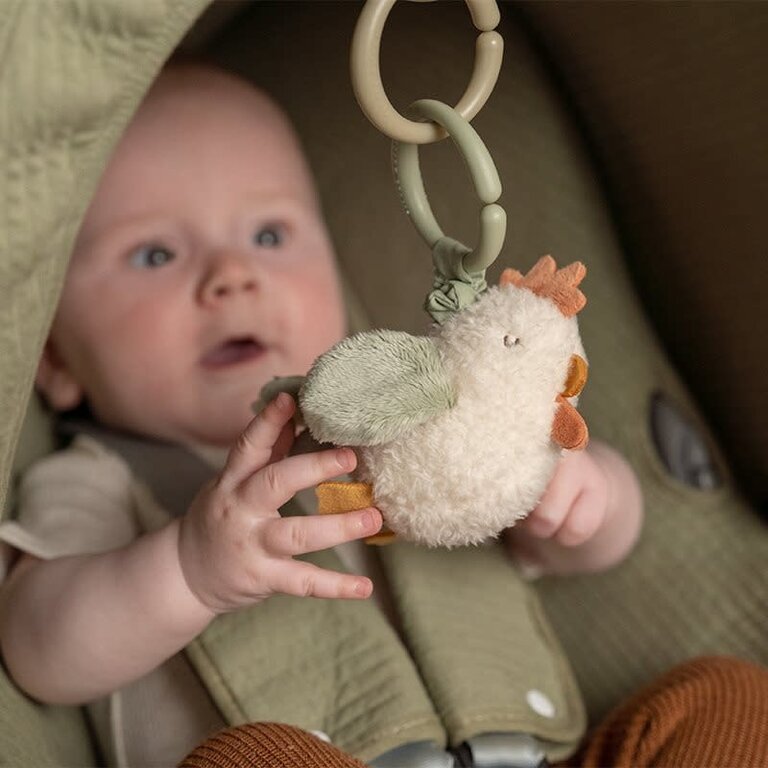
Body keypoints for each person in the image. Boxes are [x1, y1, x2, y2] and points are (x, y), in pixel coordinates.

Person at [0, 63, 644, 767]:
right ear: (55, 358)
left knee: (718, 699)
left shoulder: (421, 418)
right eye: (155, 253)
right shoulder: (94, 481)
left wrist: (587, 497)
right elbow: (40, 650)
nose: (232, 276)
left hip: (532, 752)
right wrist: (189, 572)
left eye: (270, 237)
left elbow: (572, 546)